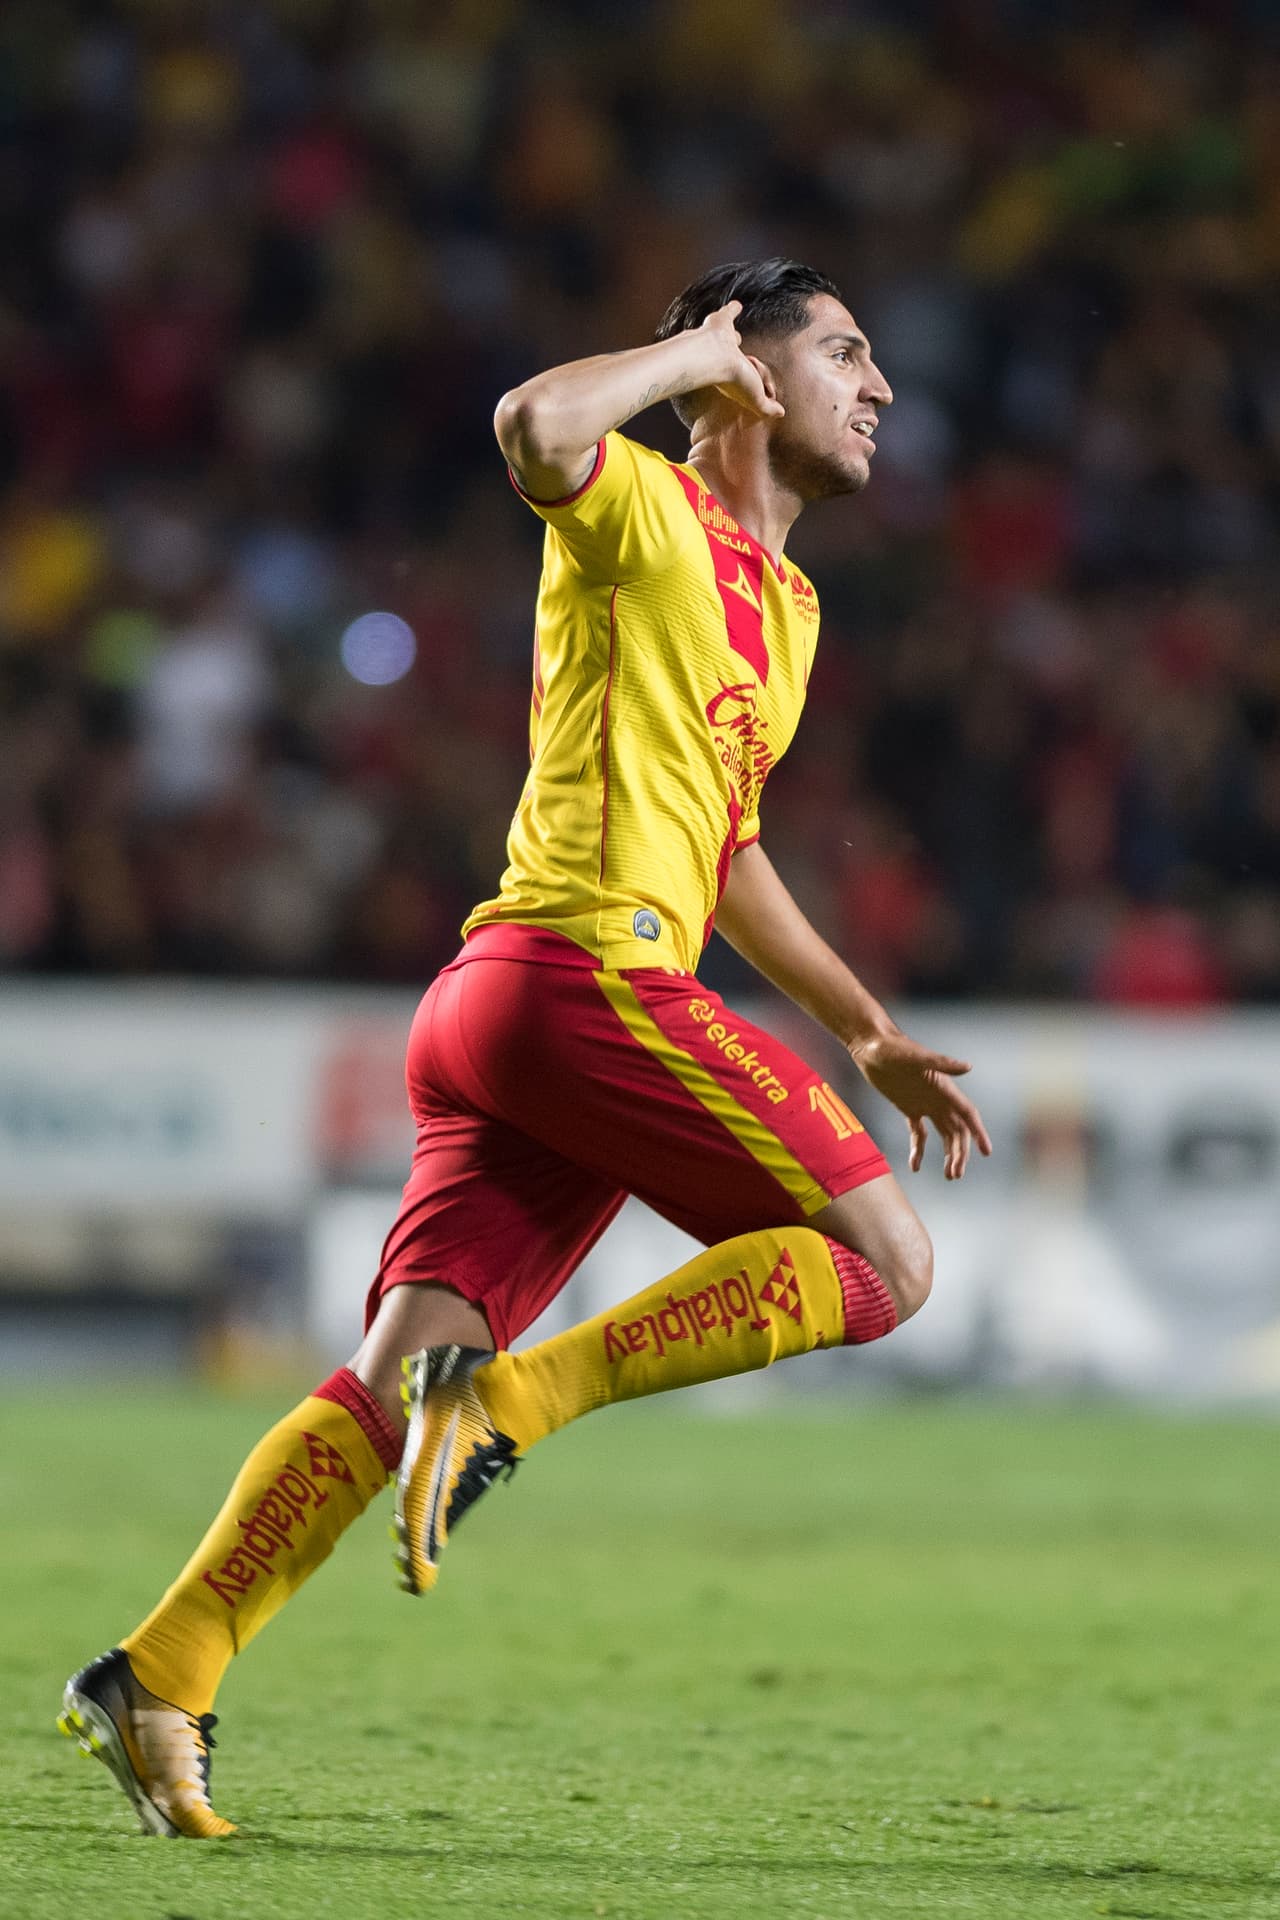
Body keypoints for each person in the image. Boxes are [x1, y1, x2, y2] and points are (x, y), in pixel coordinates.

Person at [58, 258, 990, 1838]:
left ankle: (161, 1669)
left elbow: (733, 847)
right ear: (747, 376)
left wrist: (864, 1027)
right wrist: (687, 353)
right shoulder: (644, 501)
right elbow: (530, 420)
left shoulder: (798, 605)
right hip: (584, 981)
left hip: (514, 1010)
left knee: (387, 1377)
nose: (880, 386)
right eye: (843, 352)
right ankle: (510, 1405)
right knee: (885, 1267)